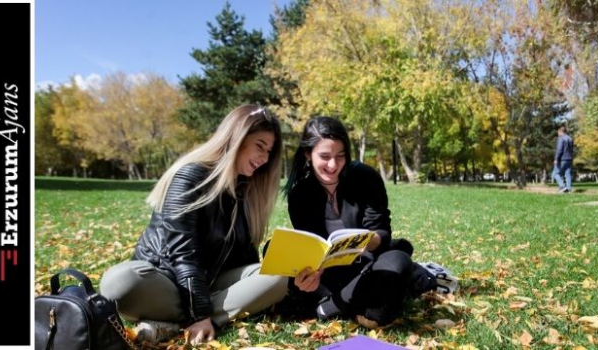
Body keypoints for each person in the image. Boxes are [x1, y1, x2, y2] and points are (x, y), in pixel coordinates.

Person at [99, 104, 288, 345]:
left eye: (269, 152)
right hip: (165, 281)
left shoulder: (246, 190)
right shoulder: (191, 176)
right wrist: (201, 313)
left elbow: (244, 260)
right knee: (118, 281)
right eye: (259, 147)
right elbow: (183, 254)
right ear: (235, 139)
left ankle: (171, 326)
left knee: (281, 275)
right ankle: (202, 317)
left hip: (209, 284)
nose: (264, 159)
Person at [281, 116, 414, 329]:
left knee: (397, 259)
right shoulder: (300, 195)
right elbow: (310, 246)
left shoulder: (366, 178)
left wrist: (367, 241)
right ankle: (349, 301)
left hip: (367, 265)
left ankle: (330, 307)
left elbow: (382, 231)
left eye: (340, 156)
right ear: (308, 155)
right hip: (327, 275)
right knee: (275, 251)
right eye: (324, 156)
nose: (333, 165)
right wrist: (308, 275)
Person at [552, 126, 574, 193]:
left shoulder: (561, 139)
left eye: (558, 133)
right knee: (568, 174)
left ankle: (562, 186)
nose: (558, 134)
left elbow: (559, 150)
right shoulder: (570, 139)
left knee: (555, 174)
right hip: (569, 159)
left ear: (560, 132)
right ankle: (568, 189)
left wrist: (556, 159)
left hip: (562, 159)